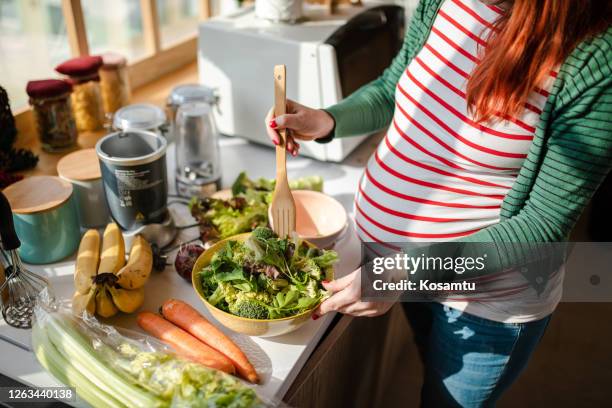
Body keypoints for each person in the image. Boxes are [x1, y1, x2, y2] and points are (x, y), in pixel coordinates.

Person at [265, 0, 612, 406]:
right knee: (431, 367)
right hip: (404, 271)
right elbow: (394, 87)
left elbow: (540, 226)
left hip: (483, 298)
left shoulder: (596, 56)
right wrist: (327, 119)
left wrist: (408, 270)